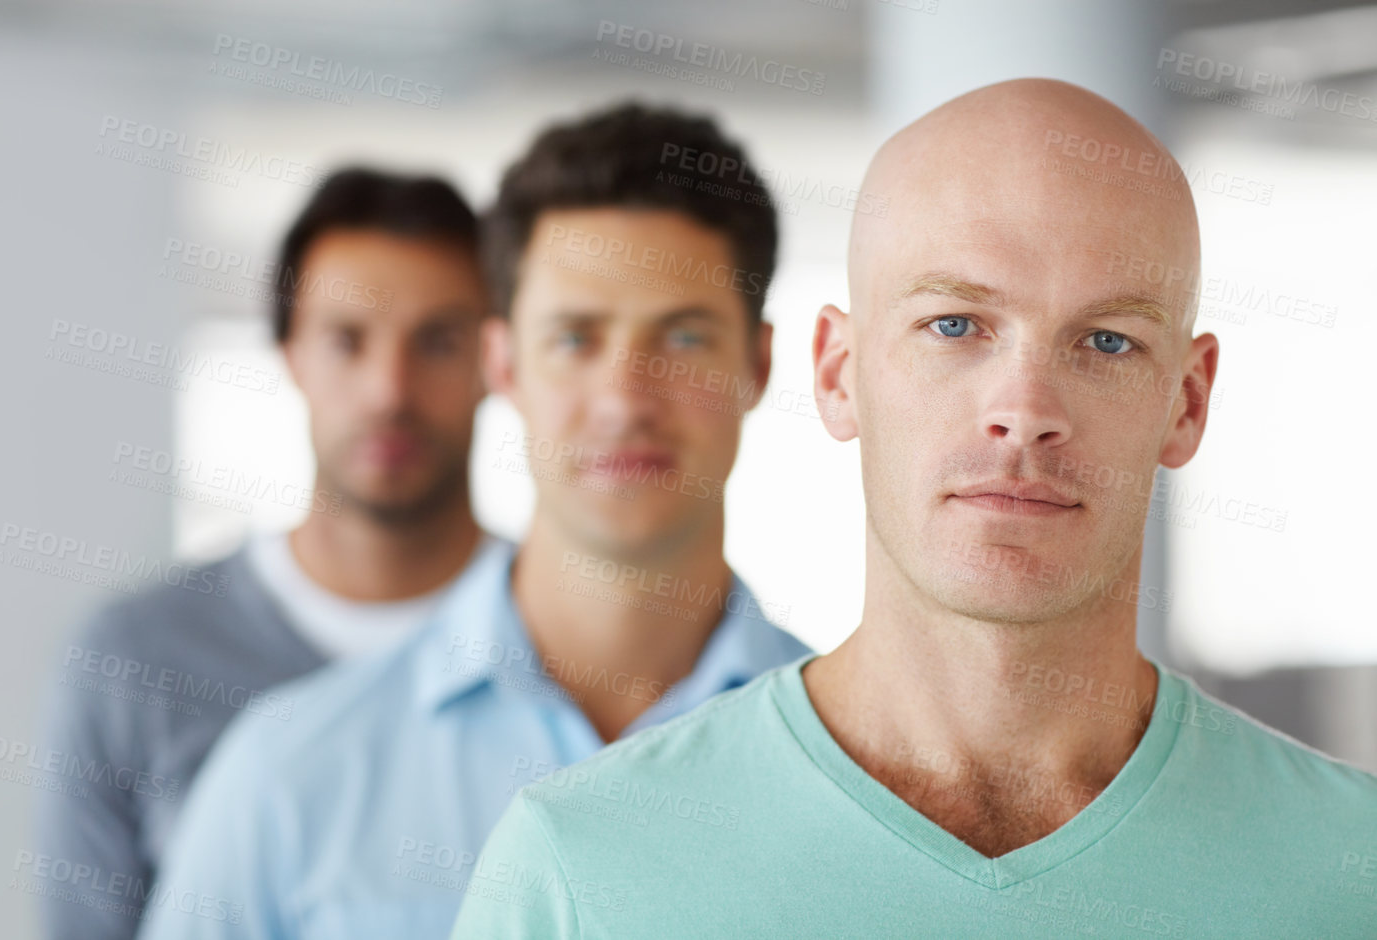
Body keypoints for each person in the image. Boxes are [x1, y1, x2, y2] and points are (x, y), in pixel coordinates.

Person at [450, 78, 1377, 938]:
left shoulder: (1352, 871)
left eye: (1106, 340)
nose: (1025, 410)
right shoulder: (578, 870)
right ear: (837, 374)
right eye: (955, 326)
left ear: (1188, 401)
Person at [135, 101, 809, 939]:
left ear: (758, 364)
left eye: (682, 338)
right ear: (502, 363)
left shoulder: (870, 778)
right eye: (575, 338)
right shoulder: (288, 776)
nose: (625, 400)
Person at [32, 167, 507, 940]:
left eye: (439, 341)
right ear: (290, 354)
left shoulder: (572, 645)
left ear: (499, 360)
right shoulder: (133, 658)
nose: (390, 389)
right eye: (346, 340)